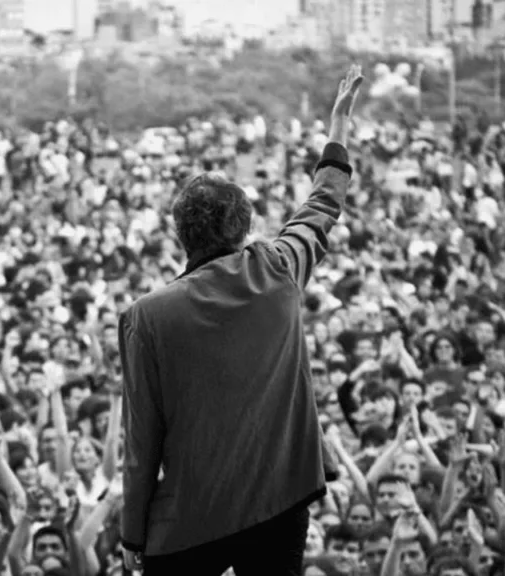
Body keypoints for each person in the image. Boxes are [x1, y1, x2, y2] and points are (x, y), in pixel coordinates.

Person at [117, 65, 365, 575]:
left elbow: (143, 439)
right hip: (280, 501)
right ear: (247, 228)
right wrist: (337, 128)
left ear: (180, 234)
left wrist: (132, 533)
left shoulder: (146, 317)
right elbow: (323, 203)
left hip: (186, 519)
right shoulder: (277, 267)